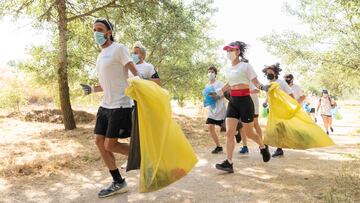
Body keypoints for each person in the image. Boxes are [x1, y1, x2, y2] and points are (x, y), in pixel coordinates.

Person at [80, 19, 138, 198]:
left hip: (120, 105)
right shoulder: (100, 56)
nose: (96, 32)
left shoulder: (119, 48)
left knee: (110, 144)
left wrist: (144, 88)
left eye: (100, 29)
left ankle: (144, 157)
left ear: (109, 31)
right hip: (105, 105)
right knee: (100, 142)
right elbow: (108, 83)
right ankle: (118, 182)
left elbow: (134, 72)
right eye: (94, 30)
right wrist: (93, 89)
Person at [215, 41, 271, 173]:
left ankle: (263, 147)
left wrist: (263, 87)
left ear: (238, 52)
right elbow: (229, 84)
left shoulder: (246, 66)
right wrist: (217, 93)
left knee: (249, 133)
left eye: (231, 50)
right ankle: (229, 163)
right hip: (233, 102)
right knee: (229, 133)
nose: (228, 53)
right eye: (227, 51)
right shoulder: (228, 69)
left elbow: (256, 82)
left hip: (245, 101)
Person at [262, 63, 294, 157]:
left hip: (281, 109)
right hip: (272, 109)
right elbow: (269, 94)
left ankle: (277, 148)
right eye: (267, 73)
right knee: (270, 127)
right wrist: (265, 102)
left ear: (275, 73)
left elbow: (291, 94)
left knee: (278, 129)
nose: (269, 74)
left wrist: (292, 106)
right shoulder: (268, 83)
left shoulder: (282, 82)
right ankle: (266, 146)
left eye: (271, 72)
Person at [204, 66, 227, 154]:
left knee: (226, 128)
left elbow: (226, 93)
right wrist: (206, 100)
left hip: (220, 109)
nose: (210, 73)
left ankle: (236, 133)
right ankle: (218, 146)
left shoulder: (219, 83)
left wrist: (218, 97)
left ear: (215, 74)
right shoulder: (207, 85)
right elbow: (207, 96)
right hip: (211, 110)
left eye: (212, 72)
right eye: (209, 72)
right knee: (210, 127)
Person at [238, 82, 262, 155]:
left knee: (255, 124)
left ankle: (262, 145)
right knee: (242, 126)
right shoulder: (241, 81)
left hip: (254, 106)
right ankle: (245, 147)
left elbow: (258, 90)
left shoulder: (252, 80)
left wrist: (246, 91)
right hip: (243, 106)